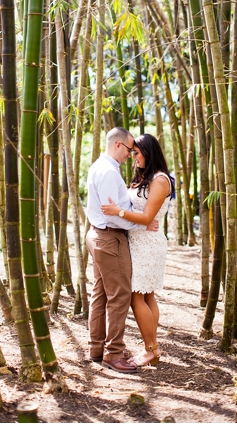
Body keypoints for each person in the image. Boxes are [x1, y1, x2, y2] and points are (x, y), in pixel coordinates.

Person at [86, 127, 159, 374]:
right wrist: (142, 222)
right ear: (118, 145)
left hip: (98, 234)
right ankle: (113, 353)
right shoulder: (108, 172)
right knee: (120, 296)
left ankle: (97, 347)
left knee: (101, 294)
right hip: (110, 238)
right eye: (129, 149)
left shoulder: (100, 166)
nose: (131, 155)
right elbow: (114, 214)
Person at [101, 133, 174, 367]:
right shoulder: (146, 178)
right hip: (138, 240)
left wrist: (117, 212)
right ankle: (153, 348)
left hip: (148, 244)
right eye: (132, 153)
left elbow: (147, 217)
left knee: (136, 297)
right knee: (147, 295)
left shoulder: (161, 180)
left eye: (137, 153)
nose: (134, 157)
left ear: (149, 152)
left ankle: (151, 349)